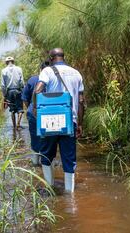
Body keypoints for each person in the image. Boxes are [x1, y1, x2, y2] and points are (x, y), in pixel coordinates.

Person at [33, 48, 85, 193]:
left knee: (46, 155)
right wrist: (80, 123)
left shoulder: (47, 71)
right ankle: (70, 193)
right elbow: (81, 101)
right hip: (70, 122)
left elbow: (37, 90)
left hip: (49, 121)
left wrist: (36, 109)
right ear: (63, 57)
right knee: (69, 158)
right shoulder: (76, 73)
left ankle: (49, 187)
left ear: (50, 58)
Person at [22, 61, 50, 166]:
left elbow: (25, 98)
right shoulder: (53, 79)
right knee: (47, 138)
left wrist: (31, 108)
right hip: (49, 113)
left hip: (34, 113)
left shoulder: (32, 80)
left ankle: (35, 163)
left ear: (40, 70)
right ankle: (46, 163)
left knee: (34, 138)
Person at [0, 56, 24, 130]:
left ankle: (14, 126)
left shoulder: (3, 71)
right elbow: (22, 82)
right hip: (18, 91)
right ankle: (18, 124)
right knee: (20, 109)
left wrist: (5, 95)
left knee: (12, 110)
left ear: (6, 62)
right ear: (13, 62)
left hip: (9, 92)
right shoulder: (19, 69)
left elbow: (3, 85)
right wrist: (22, 90)